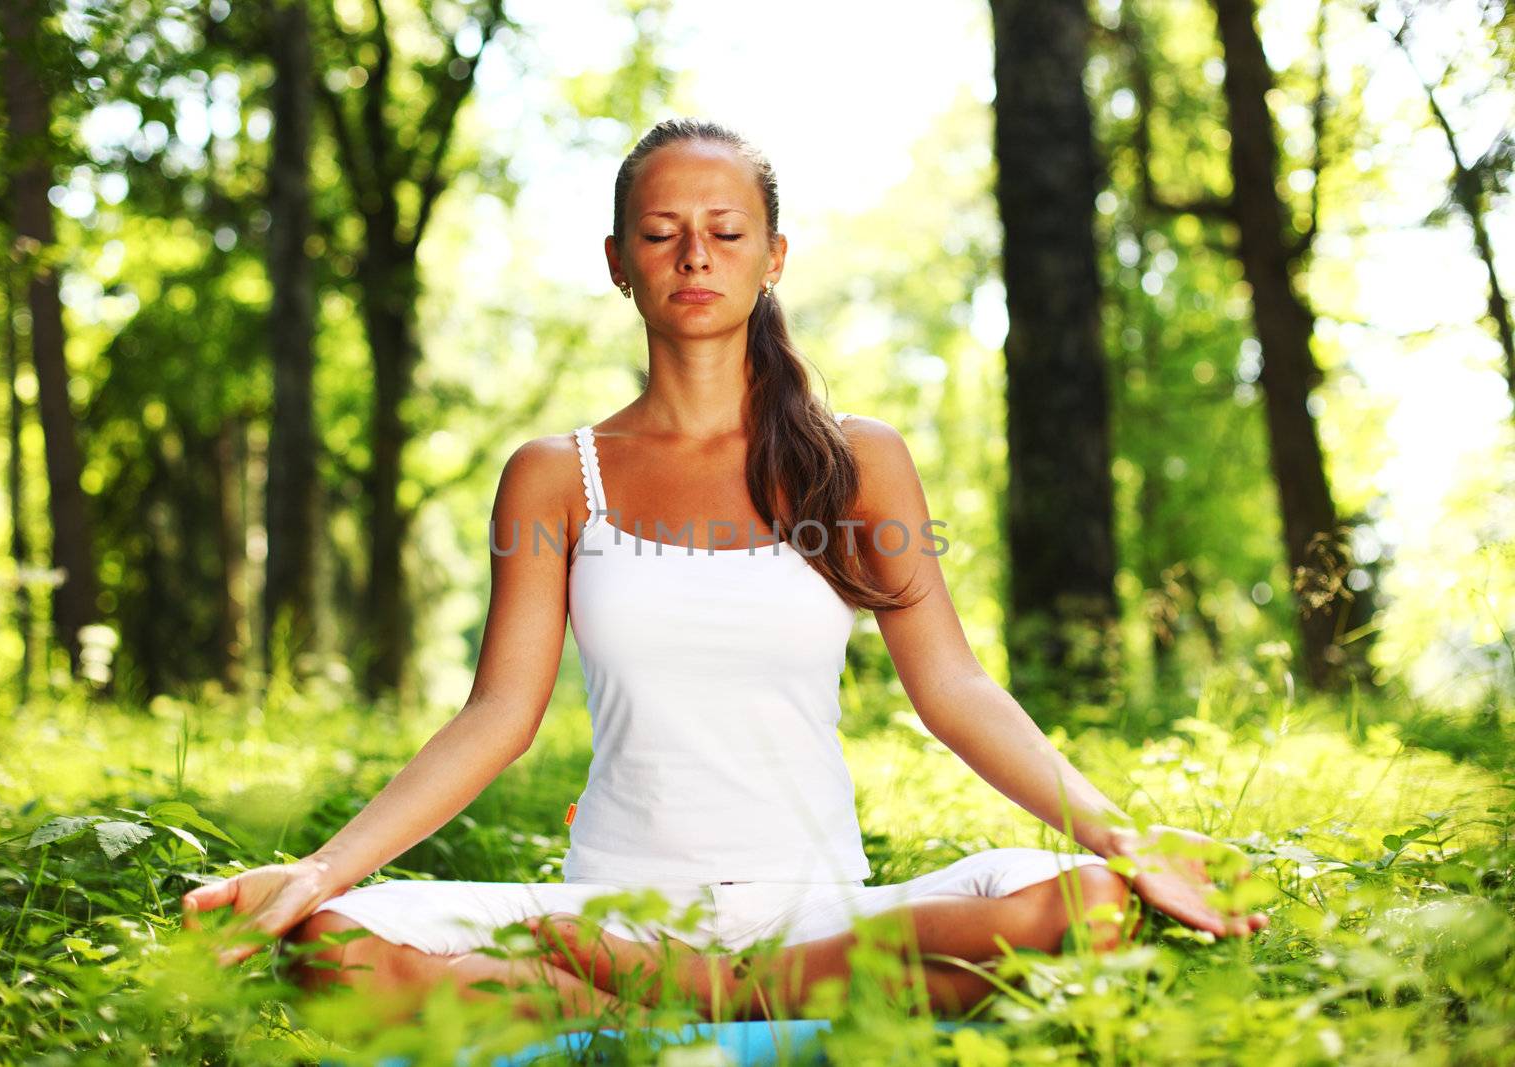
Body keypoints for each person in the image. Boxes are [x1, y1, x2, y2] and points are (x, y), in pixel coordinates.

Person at [181, 117, 1268, 1025]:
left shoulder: (859, 461)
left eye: (724, 231)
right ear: (618, 262)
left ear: (772, 256)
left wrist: (1135, 840)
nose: (694, 256)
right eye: (660, 233)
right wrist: (319, 871)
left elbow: (957, 690)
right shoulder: (558, 476)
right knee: (334, 945)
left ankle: (684, 997)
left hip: (820, 905)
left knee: (1085, 902)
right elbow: (497, 714)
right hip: (616, 907)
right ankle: (712, 997)